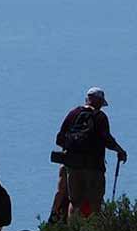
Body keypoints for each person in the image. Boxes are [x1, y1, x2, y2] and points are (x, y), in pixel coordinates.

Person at [55, 87, 128, 218]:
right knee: (95, 203)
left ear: (87, 99)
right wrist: (120, 151)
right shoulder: (100, 117)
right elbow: (107, 139)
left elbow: (59, 139)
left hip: (73, 167)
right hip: (94, 168)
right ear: (99, 101)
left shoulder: (73, 113)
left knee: (75, 202)